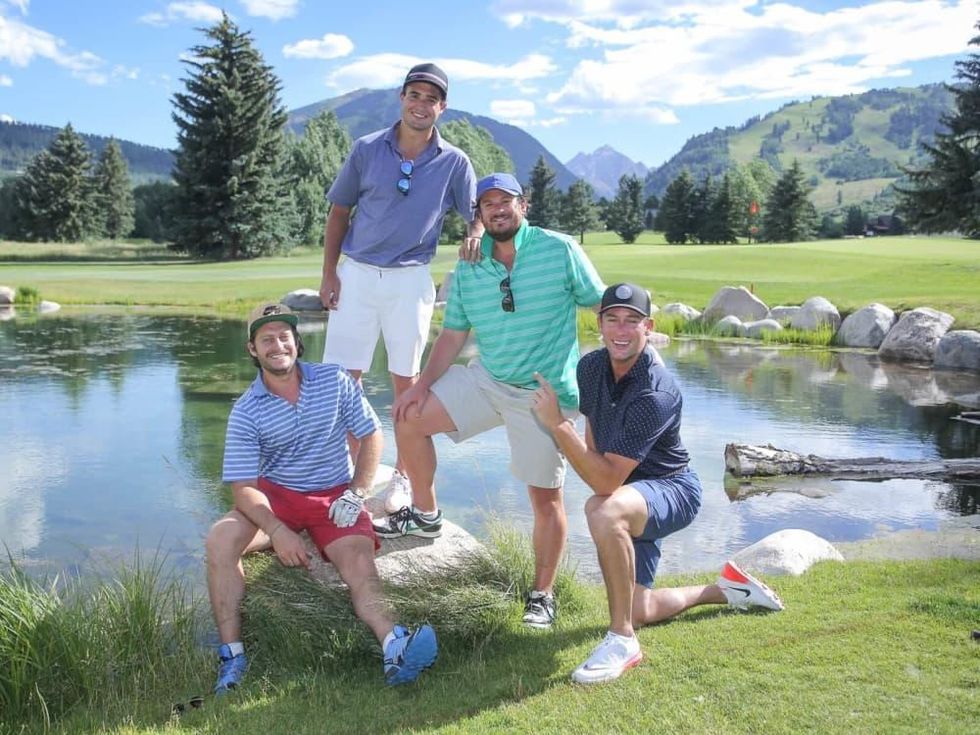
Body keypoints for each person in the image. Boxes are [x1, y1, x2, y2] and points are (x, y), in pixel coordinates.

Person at [530, 283, 785, 684]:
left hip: (673, 489)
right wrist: (601, 474)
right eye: (612, 319)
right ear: (599, 324)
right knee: (638, 608)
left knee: (603, 510)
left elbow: (604, 479)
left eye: (632, 321)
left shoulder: (657, 391)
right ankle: (725, 590)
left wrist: (559, 426)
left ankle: (622, 641)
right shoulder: (590, 367)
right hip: (630, 493)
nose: (621, 329)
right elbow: (596, 439)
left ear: (648, 327)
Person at [383, 172, 605, 629]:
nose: (498, 209)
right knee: (408, 416)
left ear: (523, 205)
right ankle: (425, 515)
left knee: (545, 499)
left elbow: (601, 304)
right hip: (488, 380)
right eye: (488, 203)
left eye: (506, 200)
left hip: (543, 395)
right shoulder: (469, 264)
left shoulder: (559, 249)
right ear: (479, 214)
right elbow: (453, 334)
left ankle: (542, 595)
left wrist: (623, 363)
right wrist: (420, 386)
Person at [205, 302, 437, 693]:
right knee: (220, 539)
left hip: (334, 497)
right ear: (252, 349)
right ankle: (232, 658)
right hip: (276, 497)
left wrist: (357, 493)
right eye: (266, 339)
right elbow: (243, 487)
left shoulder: (334, 379)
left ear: (297, 341)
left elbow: (371, 435)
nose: (278, 345)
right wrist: (277, 531)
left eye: (284, 336)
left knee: (359, 563)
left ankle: (395, 647)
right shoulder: (246, 410)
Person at [318, 62, 482, 510]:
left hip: (410, 280)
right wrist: (329, 273)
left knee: (407, 382)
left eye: (431, 99)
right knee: (342, 382)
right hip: (356, 275)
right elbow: (339, 213)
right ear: (402, 97)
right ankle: (359, 473)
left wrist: (475, 232)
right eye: (415, 95)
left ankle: (402, 479)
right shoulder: (367, 149)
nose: (421, 105)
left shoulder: (454, 161)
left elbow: (476, 212)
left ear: (442, 107)